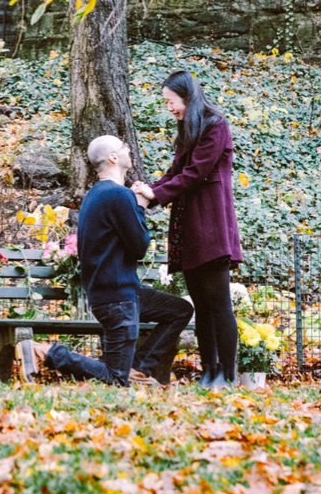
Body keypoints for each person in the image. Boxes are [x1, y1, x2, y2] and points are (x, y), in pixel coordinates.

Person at [17, 135, 194, 387]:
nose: (129, 149)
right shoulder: (119, 196)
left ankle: (139, 370)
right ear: (113, 157)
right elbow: (140, 247)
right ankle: (44, 353)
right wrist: (141, 206)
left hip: (118, 293)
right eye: (124, 147)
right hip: (118, 299)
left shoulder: (96, 195)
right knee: (115, 377)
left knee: (179, 310)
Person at [132, 70, 244, 389]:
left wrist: (157, 194)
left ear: (187, 96)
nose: (169, 107)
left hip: (211, 225)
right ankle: (210, 372)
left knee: (218, 302)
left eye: (172, 101)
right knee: (201, 304)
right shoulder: (188, 128)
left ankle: (228, 376)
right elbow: (176, 171)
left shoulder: (215, 125)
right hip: (190, 227)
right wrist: (150, 189)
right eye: (166, 102)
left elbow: (196, 173)